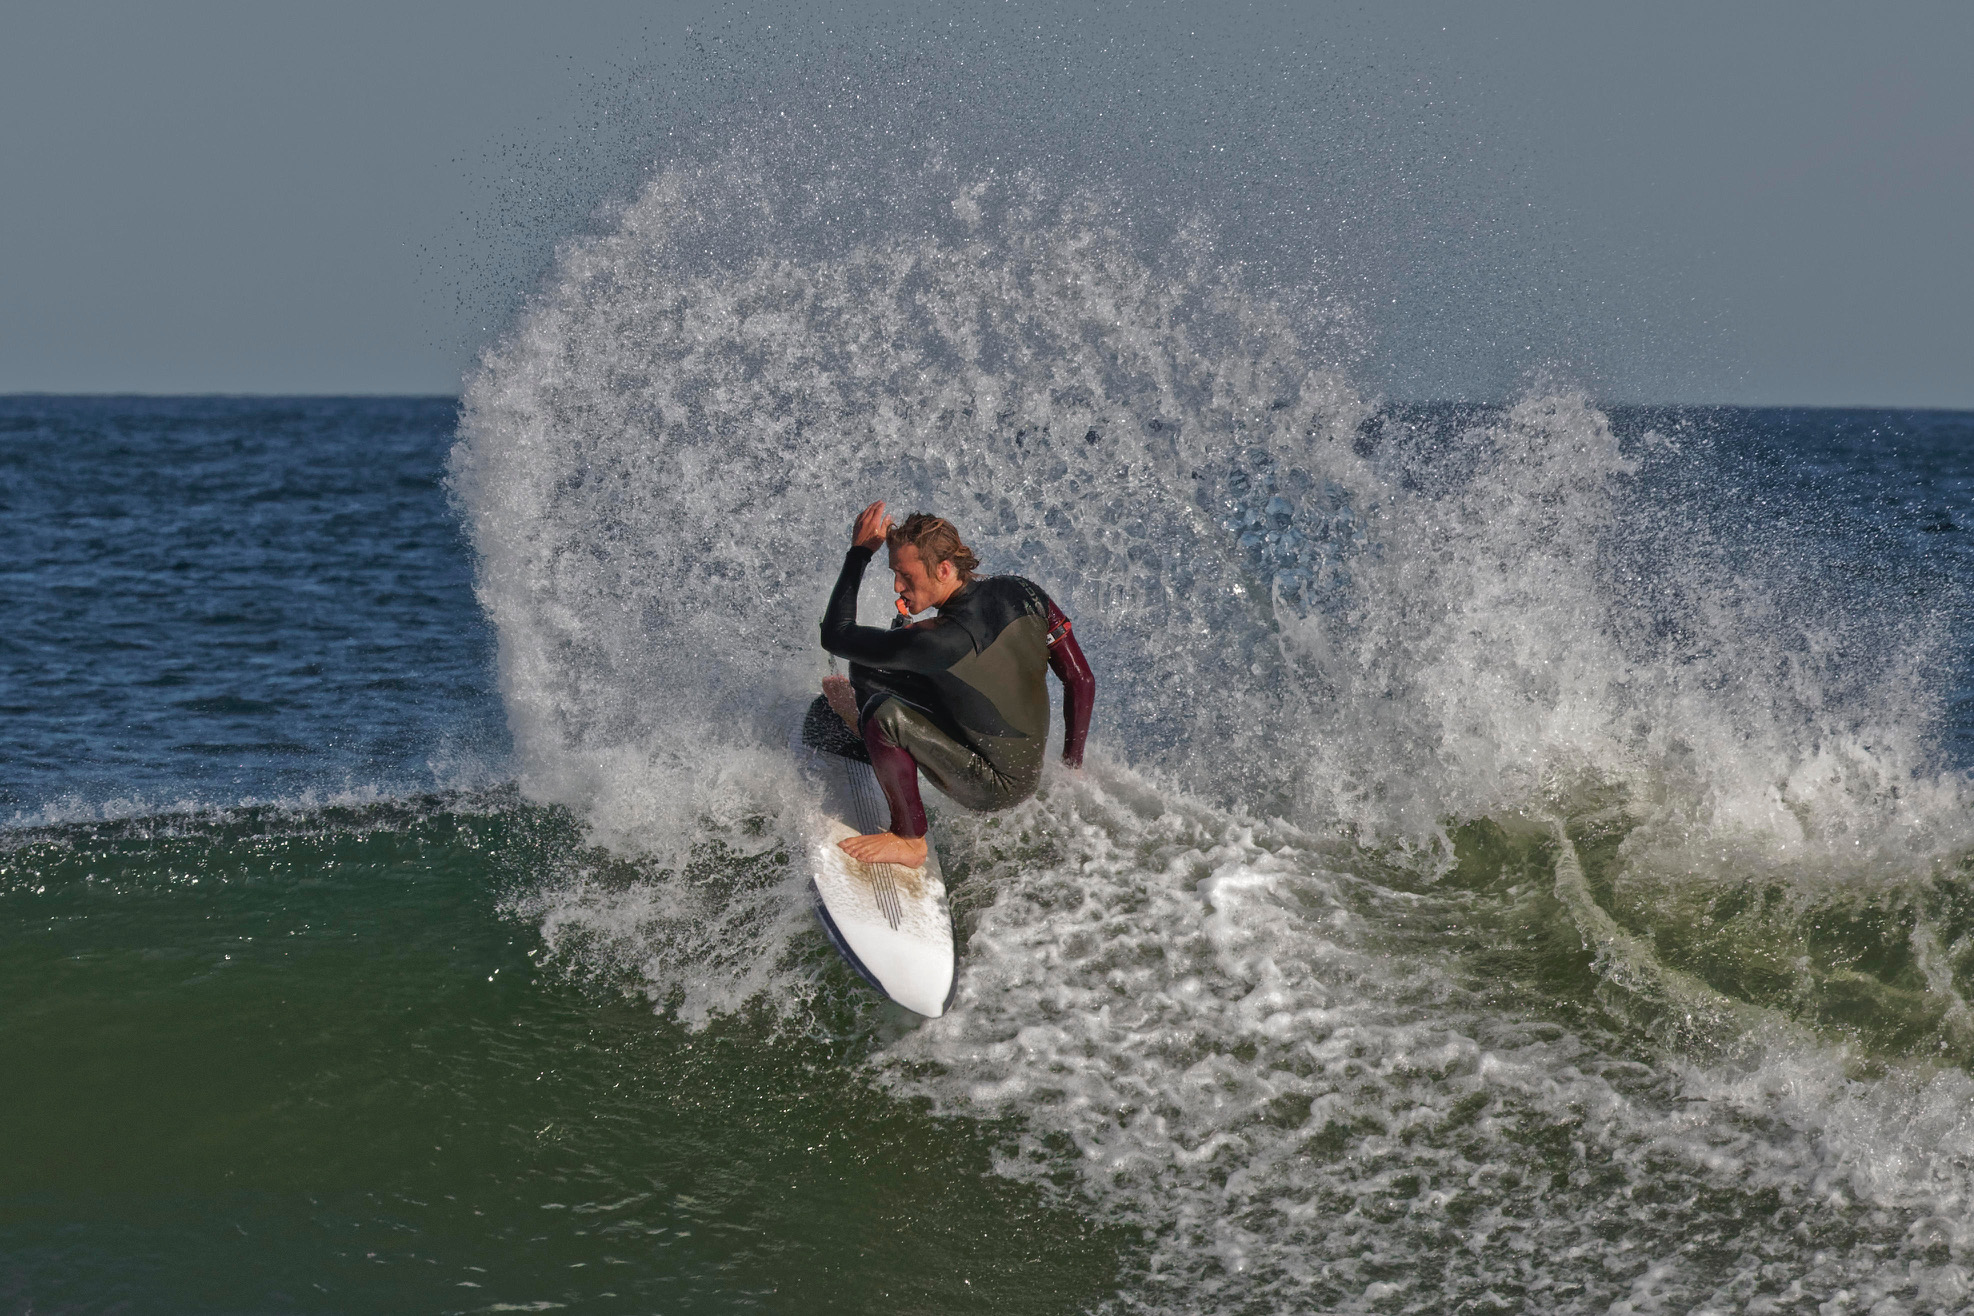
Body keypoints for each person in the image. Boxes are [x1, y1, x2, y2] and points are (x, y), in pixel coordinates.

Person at [817, 501, 1094, 867]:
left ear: (944, 569)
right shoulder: (1024, 592)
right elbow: (1081, 680)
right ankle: (868, 735)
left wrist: (858, 554)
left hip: (993, 785)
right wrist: (1071, 765)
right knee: (869, 671)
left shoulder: (937, 639)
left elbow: (836, 635)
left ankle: (908, 839)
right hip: (1020, 765)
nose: (898, 586)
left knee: (883, 714)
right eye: (894, 573)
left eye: (907, 576)